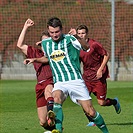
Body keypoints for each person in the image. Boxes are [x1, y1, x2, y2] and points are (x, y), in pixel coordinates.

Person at [24, 17, 109, 133]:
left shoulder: (70, 38)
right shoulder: (46, 43)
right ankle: (58, 130)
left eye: (57, 32)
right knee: (56, 98)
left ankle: (106, 131)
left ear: (61, 29)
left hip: (76, 81)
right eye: (52, 32)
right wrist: (34, 59)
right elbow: (48, 58)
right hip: (60, 81)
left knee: (91, 112)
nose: (54, 35)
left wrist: (77, 37)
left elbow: (87, 47)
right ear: (48, 32)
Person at [70, 24, 121, 126]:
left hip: (98, 78)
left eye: (83, 33)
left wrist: (100, 69)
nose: (81, 35)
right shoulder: (77, 46)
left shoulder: (94, 44)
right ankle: (91, 121)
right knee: (82, 101)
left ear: (87, 34)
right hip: (86, 78)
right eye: (79, 33)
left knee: (101, 102)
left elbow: (106, 55)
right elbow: (78, 61)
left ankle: (114, 102)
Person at [17, 18, 55, 132]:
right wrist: (25, 27)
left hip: (51, 81)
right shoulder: (35, 51)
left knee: (49, 91)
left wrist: (34, 59)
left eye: (48, 41)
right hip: (39, 85)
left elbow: (46, 59)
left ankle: (51, 111)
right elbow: (20, 45)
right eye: (43, 41)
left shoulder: (54, 53)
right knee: (43, 122)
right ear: (40, 43)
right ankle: (53, 127)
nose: (46, 44)